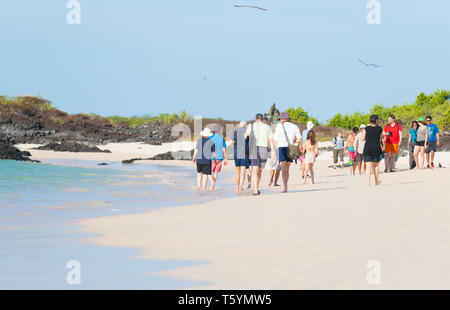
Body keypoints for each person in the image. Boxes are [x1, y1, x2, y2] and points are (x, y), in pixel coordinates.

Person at [244, 113, 276, 196]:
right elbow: (270, 139)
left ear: (255, 119)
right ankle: (256, 187)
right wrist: (273, 151)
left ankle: (255, 189)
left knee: (254, 168)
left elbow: (245, 136)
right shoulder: (267, 127)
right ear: (262, 119)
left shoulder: (251, 126)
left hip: (253, 148)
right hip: (263, 148)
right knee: (260, 169)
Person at [273, 112, 301, 193]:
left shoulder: (278, 126)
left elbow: (275, 140)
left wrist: (274, 151)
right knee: (287, 169)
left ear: (281, 119)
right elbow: (299, 139)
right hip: (290, 148)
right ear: (287, 118)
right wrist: (293, 140)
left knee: (283, 168)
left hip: (281, 148)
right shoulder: (294, 126)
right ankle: (286, 186)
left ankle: (285, 187)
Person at [362, 114, 385, 186]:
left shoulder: (366, 128)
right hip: (376, 148)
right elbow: (381, 137)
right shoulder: (379, 128)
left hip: (368, 148)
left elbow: (362, 138)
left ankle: (368, 183)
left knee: (368, 167)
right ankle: (376, 182)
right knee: (376, 166)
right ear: (376, 120)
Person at [232, 121, 249, 192]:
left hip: (236, 153)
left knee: (237, 171)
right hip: (244, 153)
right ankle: (241, 187)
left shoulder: (235, 132)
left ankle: (236, 186)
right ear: (245, 126)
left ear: (239, 126)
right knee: (243, 171)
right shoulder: (247, 131)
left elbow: (232, 142)